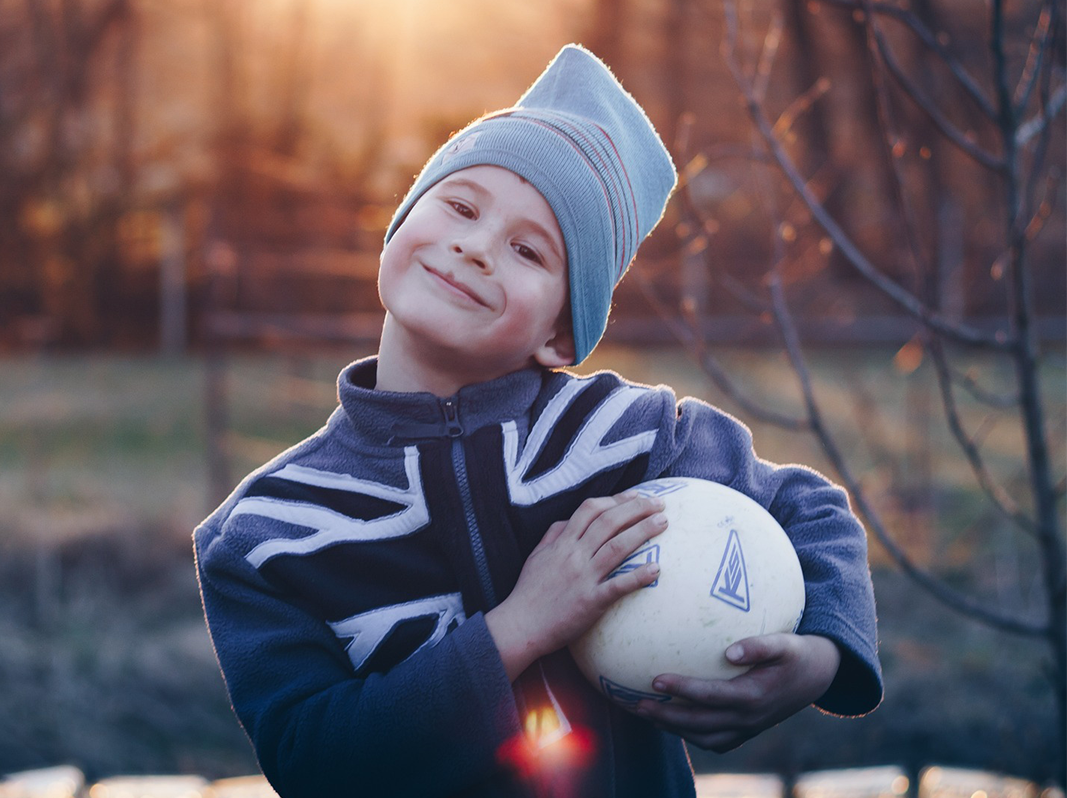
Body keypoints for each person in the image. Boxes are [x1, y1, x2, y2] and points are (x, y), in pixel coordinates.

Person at [193, 44, 881, 798]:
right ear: (399, 226)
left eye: (528, 249)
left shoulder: (629, 437)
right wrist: (518, 628)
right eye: (459, 205)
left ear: (561, 333)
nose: (476, 247)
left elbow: (808, 508)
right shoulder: (266, 535)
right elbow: (313, 761)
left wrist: (818, 658)